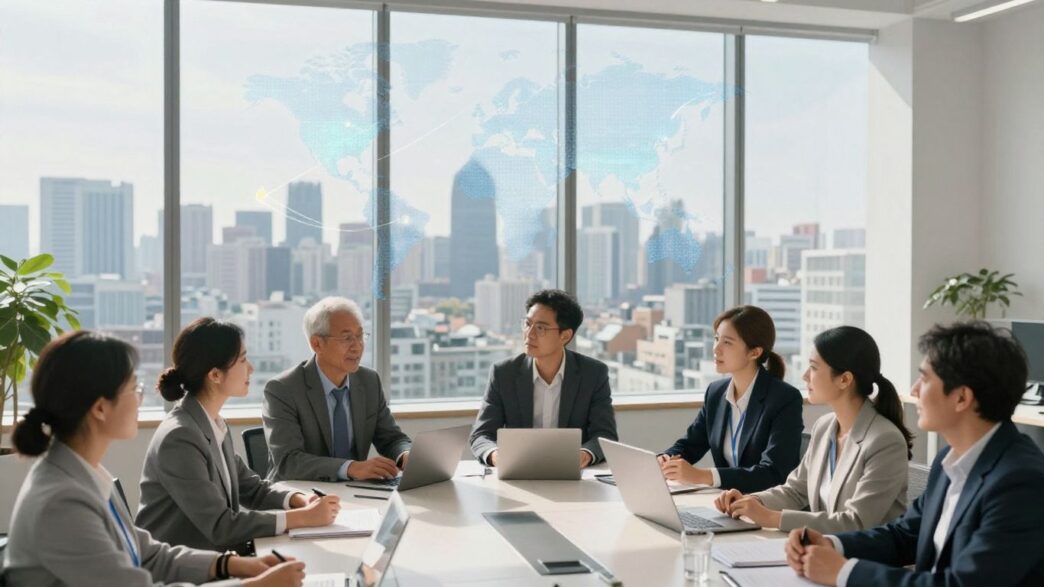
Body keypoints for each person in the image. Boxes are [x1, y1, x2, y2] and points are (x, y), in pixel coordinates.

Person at [2, 330, 305, 587]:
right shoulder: (61, 501)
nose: (141, 398)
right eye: (134, 388)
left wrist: (231, 566)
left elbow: (149, 554)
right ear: (100, 409)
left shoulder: (83, 474)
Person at [785, 321, 1044, 586]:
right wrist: (832, 543)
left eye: (926, 378)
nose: (914, 390)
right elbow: (904, 535)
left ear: (962, 398)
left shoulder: (1020, 482)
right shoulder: (948, 461)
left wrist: (843, 572)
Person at [136, 318, 341, 553]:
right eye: (243, 359)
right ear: (214, 375)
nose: (251, 368)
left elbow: (252, 489)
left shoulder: (210, 422)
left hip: (216, 558)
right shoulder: (180, 437)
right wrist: (302, 518)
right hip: (182, 572)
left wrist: (298, 500)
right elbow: (221, 526)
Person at [714, 326, 912, 533]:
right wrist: (750, 501)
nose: (805, 376)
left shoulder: (885, 440)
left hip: (865, 559)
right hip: (823, 550)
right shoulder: (825, 427)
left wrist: (772, 518)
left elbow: (857, 522)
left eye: (814, 368)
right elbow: (796, 490)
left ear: (844, 379)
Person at [263, 297, 412, 482]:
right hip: (300, 495)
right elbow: (289, 462)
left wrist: (405, 454)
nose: (357, 346)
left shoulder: (369, 381)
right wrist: (350, 468)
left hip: (353, 493)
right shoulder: (283, 389)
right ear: (316, 344)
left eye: (360, 336)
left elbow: (392, 438)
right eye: (347, 338)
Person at [659, 305, 803, 493]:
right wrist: (666, 458)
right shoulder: (716, 392)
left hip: (764, 508)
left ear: (754, 352)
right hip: (726, 503)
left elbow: (773, 473)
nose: (716, 349)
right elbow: (691, 444)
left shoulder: (784, 399)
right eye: (716, 339)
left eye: (727, 342)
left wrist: (703, 476)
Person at [470, 289, 618, 467]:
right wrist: (496, 455)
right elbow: (481, 435)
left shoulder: (593, 374)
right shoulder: (504, 373)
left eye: (540, 328)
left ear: (565, 335)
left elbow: (605, 435)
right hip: (519, 472)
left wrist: (584, 455)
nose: (529, 334)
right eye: (527, 323)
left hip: (572, 474)